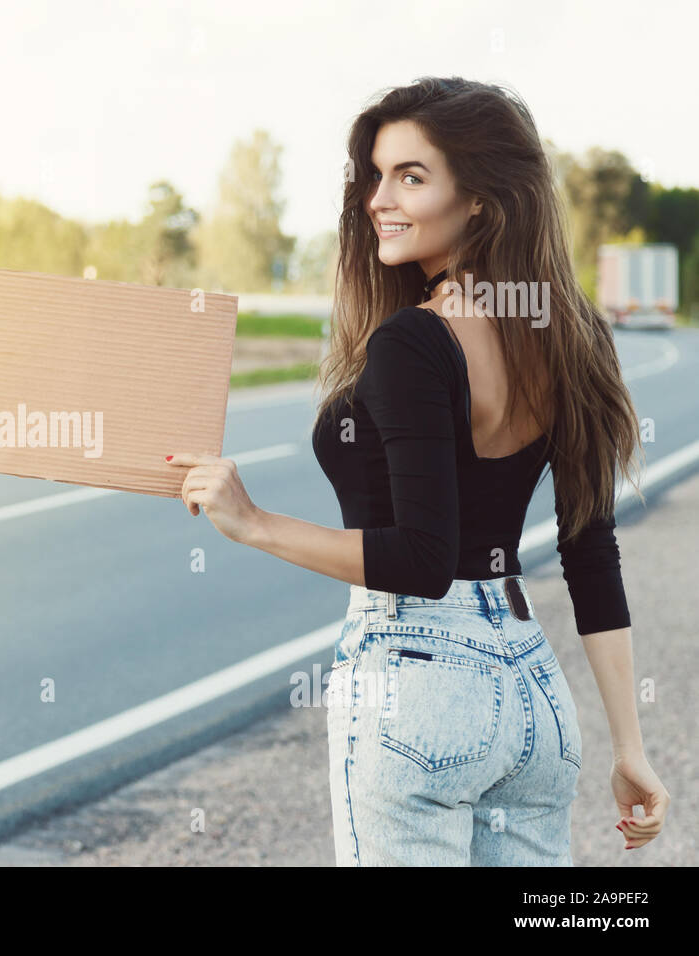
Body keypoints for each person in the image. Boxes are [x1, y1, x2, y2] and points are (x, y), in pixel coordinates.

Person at [165, 76, 669, 865]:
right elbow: (589, 552)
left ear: (479, 199)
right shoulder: (572, 334)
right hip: (535, 700)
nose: (377, 198)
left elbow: (422, 562)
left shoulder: (413, 342)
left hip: (416, 681)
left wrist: (255, 523)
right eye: (374, 174)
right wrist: (629, 747)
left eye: (411, 175)